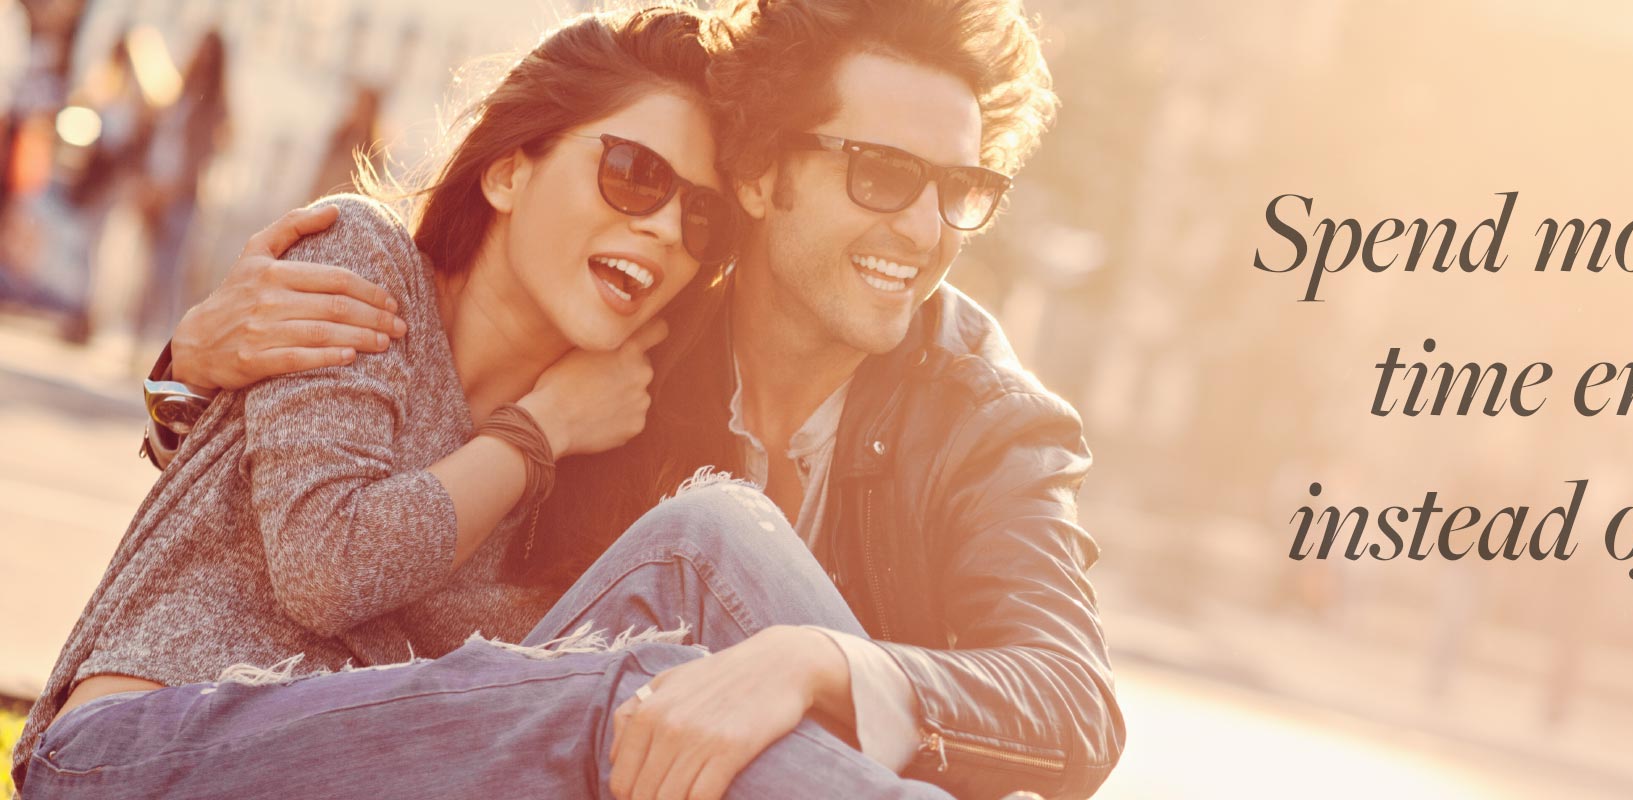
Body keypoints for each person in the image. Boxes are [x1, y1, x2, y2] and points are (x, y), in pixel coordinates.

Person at [131, 0, 1123, 797]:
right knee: (709, 539)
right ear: (764, 175)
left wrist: (811, 661)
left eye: (960, 187)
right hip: (558, 753)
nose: (924, 227)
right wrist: (189, 370)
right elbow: (374, 485)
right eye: (883, 176)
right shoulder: (631, 342)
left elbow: (1074, 706)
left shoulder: (986, 420)